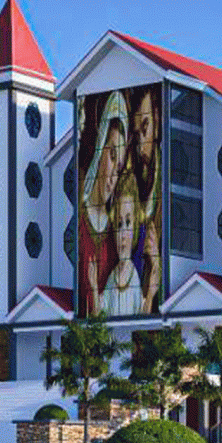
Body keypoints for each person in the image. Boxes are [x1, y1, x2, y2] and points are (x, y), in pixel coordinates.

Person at [79, 91, 129, 315]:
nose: (112, 177)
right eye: (111, 155)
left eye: (119, 168)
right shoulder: (79, 218)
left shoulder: (114, 231)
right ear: (99, 148)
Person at [129, 85, 162, 313]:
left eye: (146, 127)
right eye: (136, 134)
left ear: (158, 121)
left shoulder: (164, 189)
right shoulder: (130, 186)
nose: (141, 143)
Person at [100, 170, 143, 316]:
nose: (122, 234)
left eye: (128, 223)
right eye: (119, 224)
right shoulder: (111, 278)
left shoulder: (135, 279)